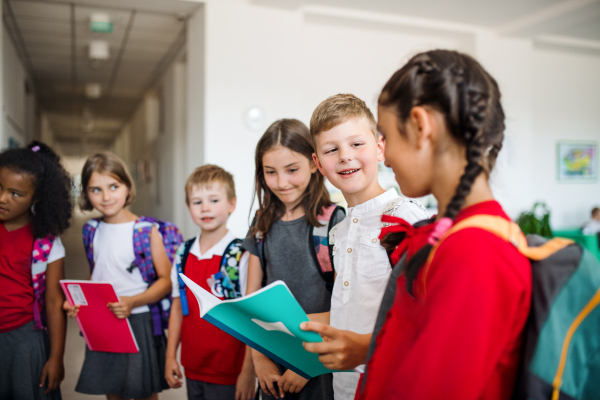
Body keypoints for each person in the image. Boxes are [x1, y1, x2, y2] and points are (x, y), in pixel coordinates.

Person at [343, 49, 531, 399]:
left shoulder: (476, 252)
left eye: (385, 136)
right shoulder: (447, 235)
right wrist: (366, 349)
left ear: (419, 126)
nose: (386, 157)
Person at [302, 93, 429, 400]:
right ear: (318, 163)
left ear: (380, 147)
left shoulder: (407, 218)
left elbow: (425, 315)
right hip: (345, 387)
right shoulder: (339, 230)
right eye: (331, 150)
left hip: (393, 382)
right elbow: (349, 307)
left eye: (357, 144)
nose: (345, 156)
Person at [244, 119, 346, 400]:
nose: (282, 182)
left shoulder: (333, 221)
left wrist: (307, 364)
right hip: (271, 361)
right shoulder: (261, 224)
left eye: (292, 170)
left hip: (319, 361)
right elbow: (250, 301)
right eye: (270, 172)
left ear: (314, 163)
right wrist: (259, 361)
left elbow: (344, 306)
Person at [64, 151, 171, 400]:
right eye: (96, 189)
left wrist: (133, 302)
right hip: (104, 320)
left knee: (144, 390)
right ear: (86, 194)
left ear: (127, 187)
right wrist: (78, 302)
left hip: (139, 319)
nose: (106, 196)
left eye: (113, 186)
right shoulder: (91, 230)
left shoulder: (146, 231)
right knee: (112, 387)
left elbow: (165, 281)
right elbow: (97, 276)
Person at [165, 164, 256, 400]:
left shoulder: (241, 255)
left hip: (231, 369)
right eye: (197, 202)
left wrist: (249, 371)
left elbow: (251, 316)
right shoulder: (182, 253)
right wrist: (170, 356)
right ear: (189, 207)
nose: (205, 208)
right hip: (193, 365)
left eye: (214, 200)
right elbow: (177, 306)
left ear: (231, 204)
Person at [0, 141, 72, 400]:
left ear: (37, 198)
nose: (2, 198)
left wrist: (56, 357)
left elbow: (54, 301)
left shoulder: (46, 242)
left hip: (24, 340)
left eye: (15, 193)